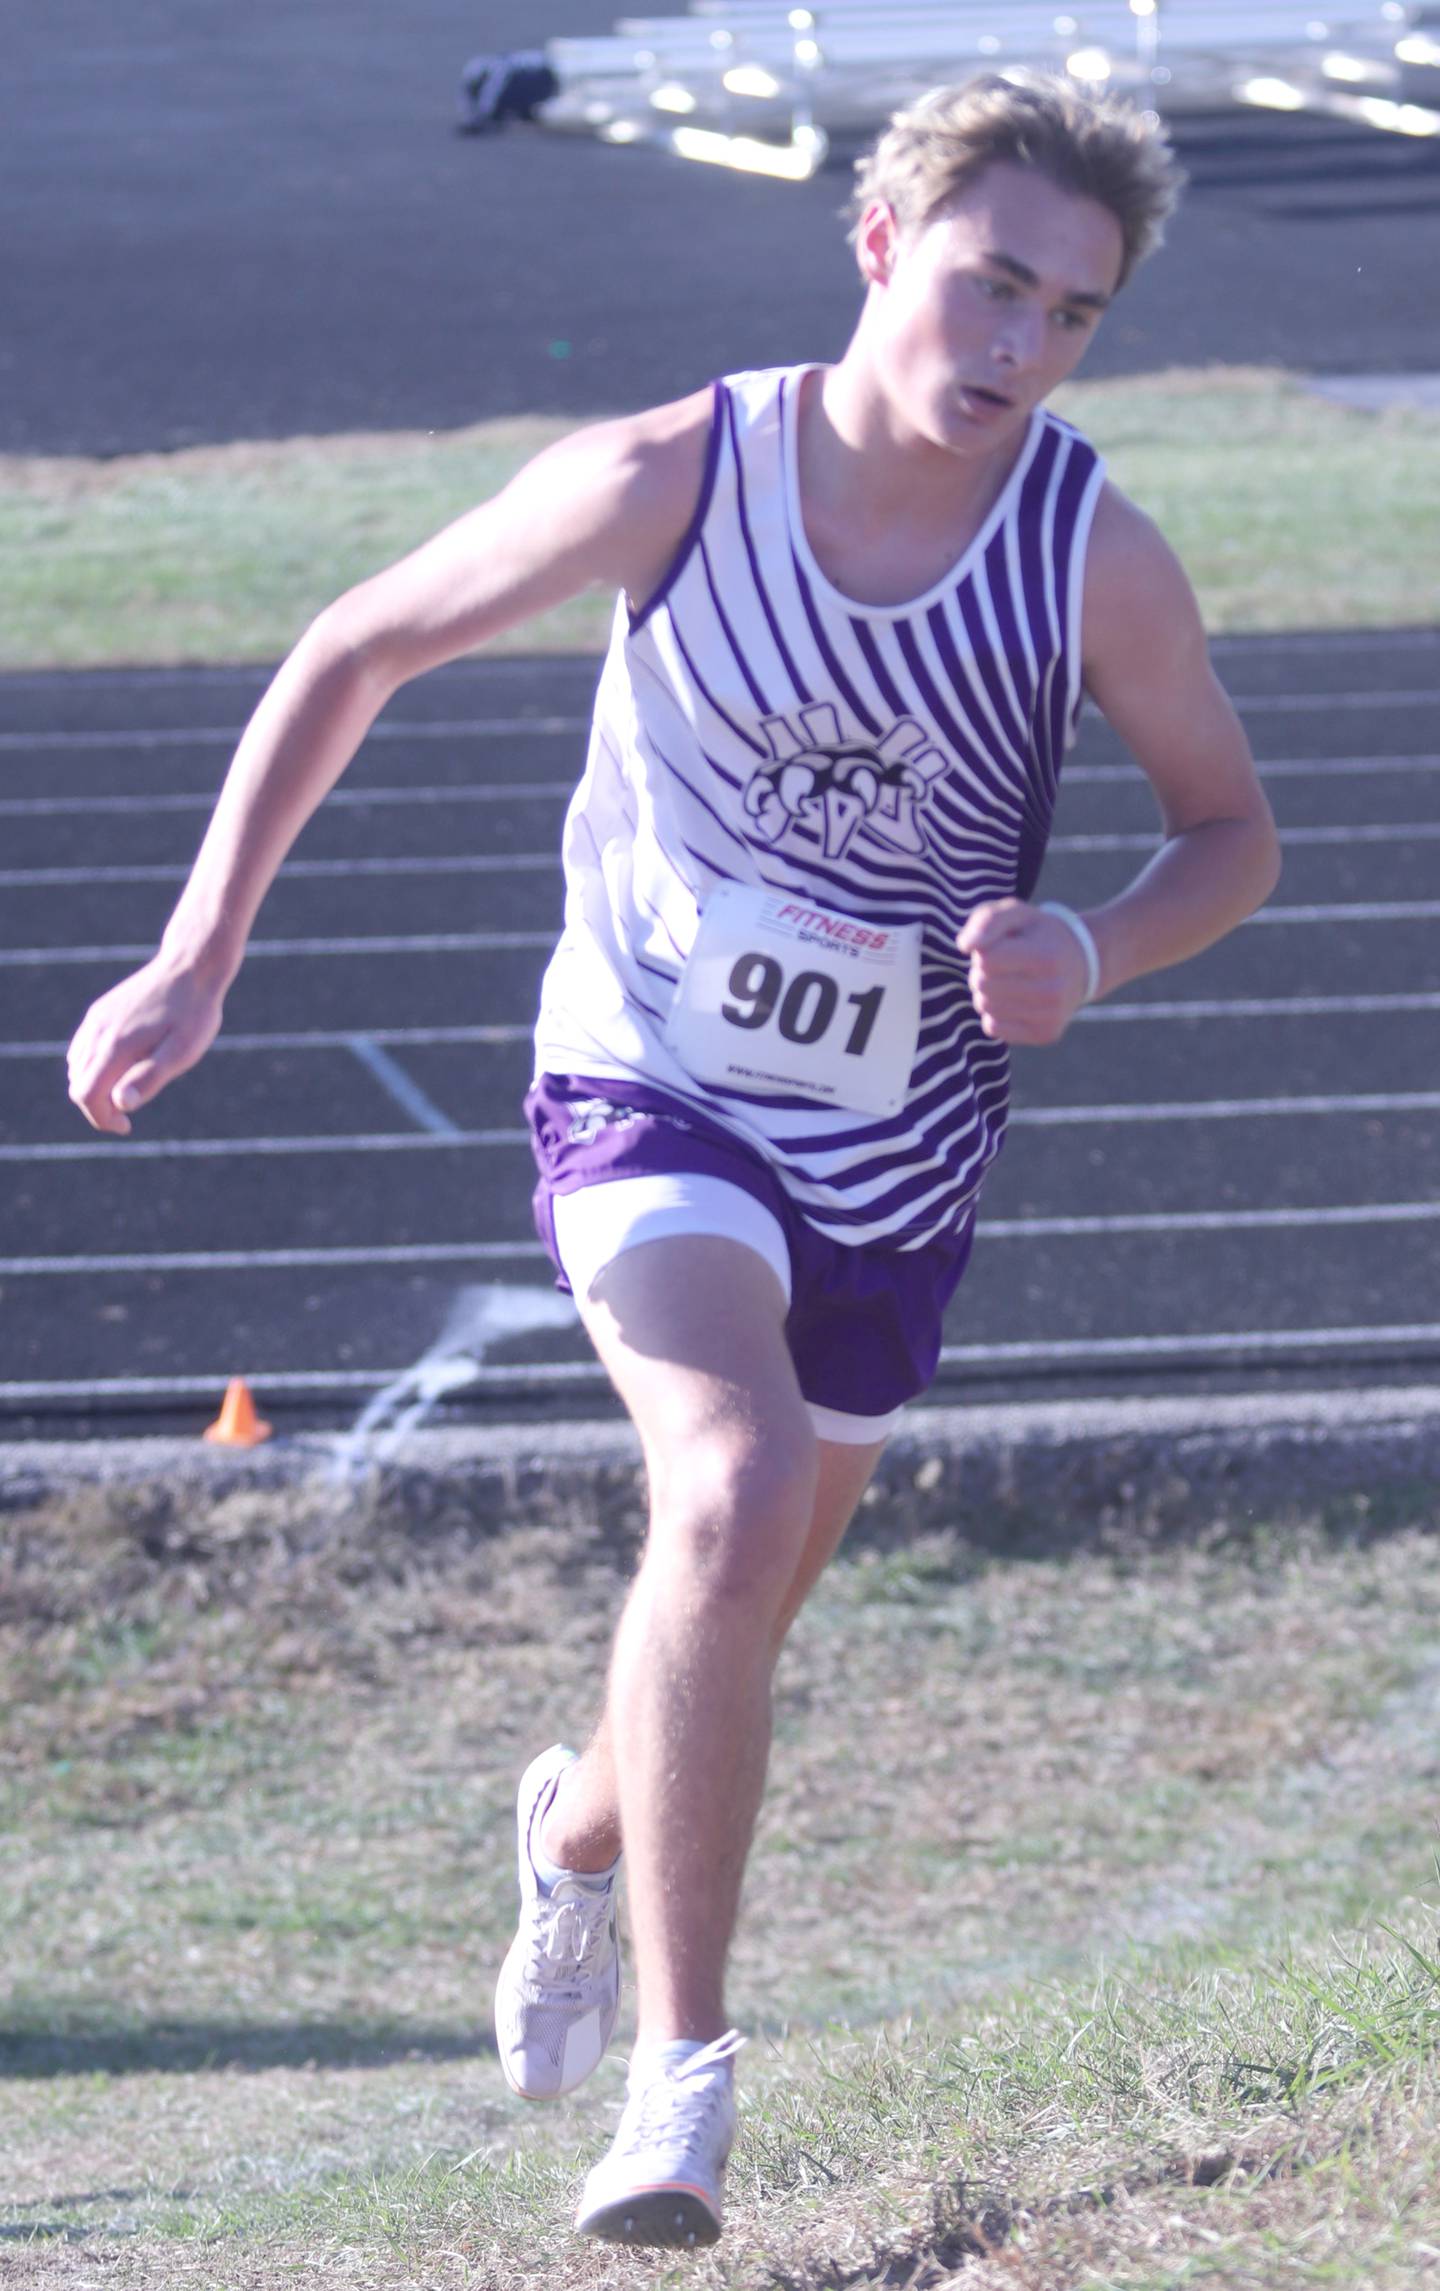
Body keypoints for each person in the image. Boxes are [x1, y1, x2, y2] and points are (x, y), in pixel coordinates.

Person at [67, 74, 1281, 2253]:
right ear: (883, 244)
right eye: (991, 280)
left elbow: (1235, 830)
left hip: (899, 1140)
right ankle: (682, 2088)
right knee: (714, 1502)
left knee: (733, 1591)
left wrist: (1089, 941)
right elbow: (362, 641)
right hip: (648, 1082)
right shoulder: (669, 475)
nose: (1016, 342)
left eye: (1071, 313)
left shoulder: (1087, 549)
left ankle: (574, 1842)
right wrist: (195, 954)